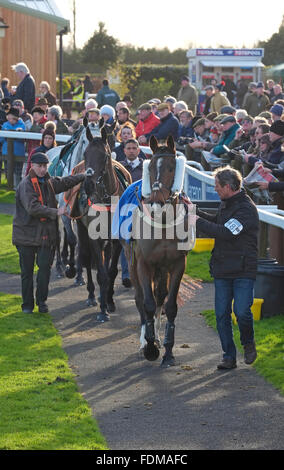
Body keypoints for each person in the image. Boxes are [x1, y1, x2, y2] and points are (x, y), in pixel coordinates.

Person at [195, 166, 259, 370]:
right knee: (221, 314)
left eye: (217, 186)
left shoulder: (246, 210)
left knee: (241, 312)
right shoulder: (227, 203)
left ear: (229, 187)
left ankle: (248, 344)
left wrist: (195, 221)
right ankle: (229, 356)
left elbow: (226, 233)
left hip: (242, 270)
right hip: (223, 268)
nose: (215, 190)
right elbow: (217, 221)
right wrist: (193, 210)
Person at [12, 152, 86, 314]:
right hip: (26, 237)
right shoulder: (26, 184)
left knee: (45, 270)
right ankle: (27, 305)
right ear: (32, 166)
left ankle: (42, 302)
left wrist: (83, 176)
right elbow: (33, 208)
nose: (43, 169)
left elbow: (65, 182)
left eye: (45, 166)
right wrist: (56, 211)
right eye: (40, 166)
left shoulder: (48, 182)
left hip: (45, 237)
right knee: (27, 273)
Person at [120, 138, 144, 287]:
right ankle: (127, 274)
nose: (131, 150)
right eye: (128, 148)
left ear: (139, 150)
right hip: (125, 210)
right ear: (124, 150)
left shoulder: (146, 167)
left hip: (143, 209)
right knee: (126, 241)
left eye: (134, 148)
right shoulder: (119, 168)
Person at [0, 107, 26, 187]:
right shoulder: (5, 124)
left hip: (18, 152)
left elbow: (23, 138)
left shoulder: (22, 125)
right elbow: (1, 139)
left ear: (16, 118)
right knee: (8, 170)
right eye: (9, 117)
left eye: (12, 118)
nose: (10, 120)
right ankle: (10, 185)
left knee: (18, 171)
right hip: (6, 151)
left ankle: (17, 187)